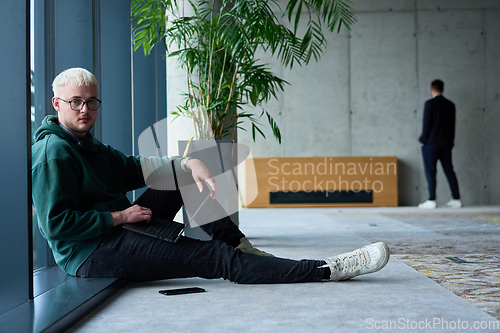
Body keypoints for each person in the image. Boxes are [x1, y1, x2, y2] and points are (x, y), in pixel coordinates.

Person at [32, 67, 390, 284]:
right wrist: (119, 216)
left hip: (119, 228)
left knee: (186, 177)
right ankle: (326, 269)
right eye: (75, 102)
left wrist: (187, 164)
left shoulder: (86, 144)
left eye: (91, 101)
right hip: (91, 252)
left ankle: (242, 248)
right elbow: (55, 225)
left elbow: (134, 166)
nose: (84, 109)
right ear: (56, 103)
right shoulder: (54, 152)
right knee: (216, 259)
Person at [418, 79, 461, 209]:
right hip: (446, 143)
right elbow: (453, 126)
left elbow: (427, 124)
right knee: (449, 170)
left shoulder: (429, 104)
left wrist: (423, 140)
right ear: (443, 89)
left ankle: (432, 200)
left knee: (431, 171)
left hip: (431, 143)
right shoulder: (450, 105)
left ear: (431, 89)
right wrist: (451, 142)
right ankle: (456, 199)